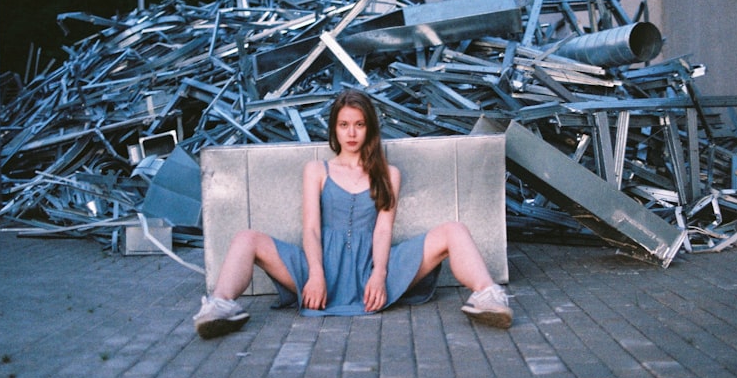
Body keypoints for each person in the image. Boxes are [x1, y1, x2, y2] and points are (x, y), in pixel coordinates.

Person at [193, 89, 513, 339]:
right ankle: (220, 306)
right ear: (335, 128)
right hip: (319, 267)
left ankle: (488, 297)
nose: (351, 133)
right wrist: (316, 274)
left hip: (370, 264)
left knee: (453, 230)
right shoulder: (316, 170)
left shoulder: (389, 173)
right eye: (344, 125)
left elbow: (383, 230)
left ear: (369, 128)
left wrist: (380, 274)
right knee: (247, 238)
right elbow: (312, 230)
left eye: (359, 125)